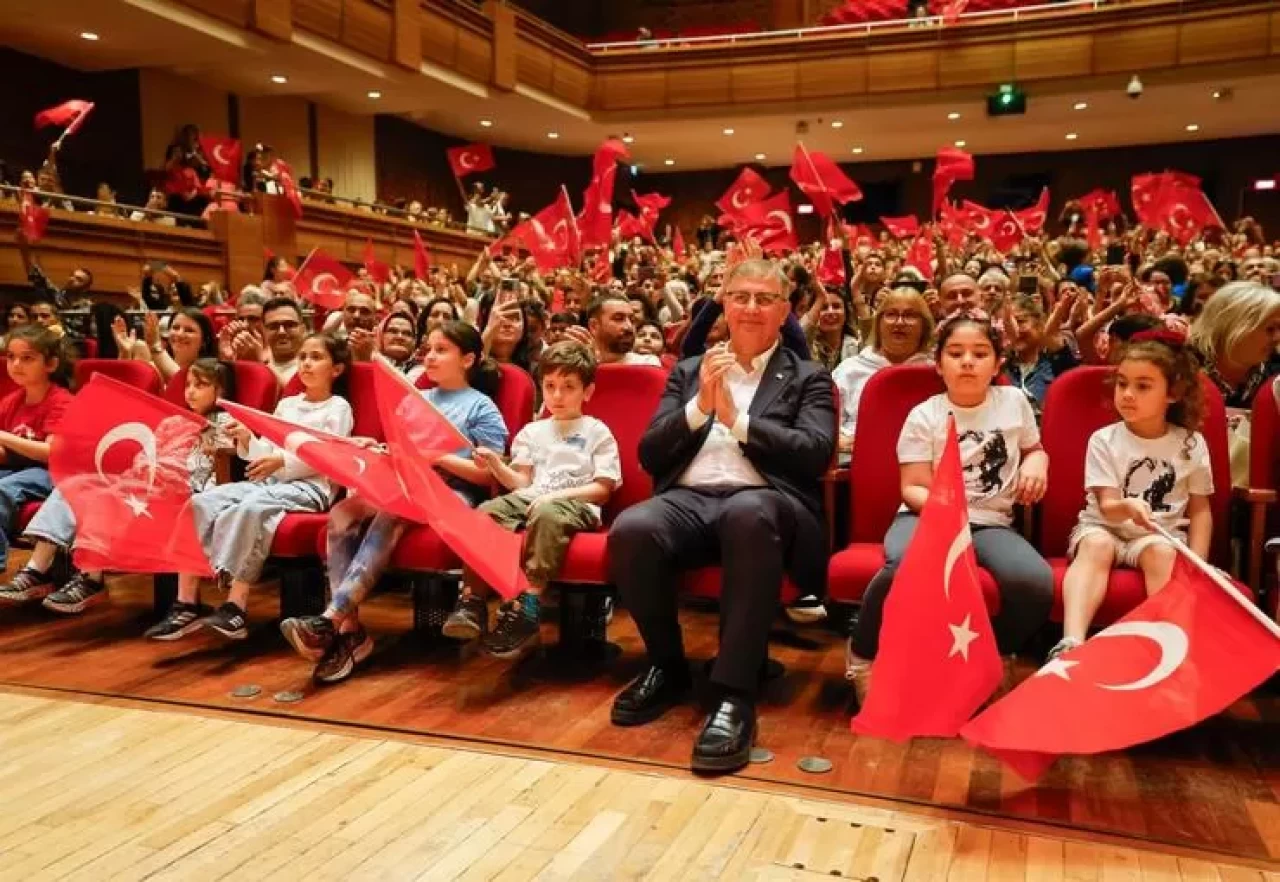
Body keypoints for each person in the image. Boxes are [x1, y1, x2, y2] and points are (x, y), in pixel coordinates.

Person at [606, 258, 836, 774]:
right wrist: (699, 409)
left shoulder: (808, 376)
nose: (751, 307)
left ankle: (734, 693)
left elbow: (815, 452)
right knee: (634, 528)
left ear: (784, 311)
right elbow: (650, 453)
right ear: (724, 306)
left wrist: (737, 420)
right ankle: (667, 668)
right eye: (742, 297)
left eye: (764, 299)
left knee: (748, 512)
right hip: (690, 502)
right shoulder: (690, 371)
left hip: (768, 505)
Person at [281, 322, 508, 682]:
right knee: (340, 514)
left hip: (450, 493)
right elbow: (400, 454)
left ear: (468, 359)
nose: (429, 356)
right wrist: (378, 449)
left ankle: (331, 617)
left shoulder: (482, 407)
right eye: (428, 348)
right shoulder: (413, 399)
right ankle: (349, 631)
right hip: (403, 484)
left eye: (442, 350)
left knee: (393, 512)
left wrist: (440, 458)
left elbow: (491, 475)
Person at [846, 312, 1053, 702]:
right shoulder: (924, 414)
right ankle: (862, 655)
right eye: (956, 353)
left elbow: (1034, 449)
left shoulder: (1014, 402)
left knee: (1034, 582)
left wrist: (1037, 463)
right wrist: (949, 514)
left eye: (980, 353)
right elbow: (913, 487)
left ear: (997, 363)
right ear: (939, 365)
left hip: (991, 522)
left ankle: (995, 651)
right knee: (902, 566)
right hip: (928, 517)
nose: (968, 361)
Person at [149, 334, 354, 641]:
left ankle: (236, 605)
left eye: (316, 357)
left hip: (311, 487)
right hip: (271, 480)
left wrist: (280, 462)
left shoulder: (338, 407)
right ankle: (187, 602)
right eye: (303, 357)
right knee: (199, 503)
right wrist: (247, 439)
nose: (307, 363)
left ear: (336, 369)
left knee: (253, 510)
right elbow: (264, 453)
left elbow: (328, 458)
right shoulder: (286, 404)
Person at [1, 359, 235, 612]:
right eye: (188, 384)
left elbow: (214, 474)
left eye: (200, 385)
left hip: (184, 492)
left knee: (107, 497)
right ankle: (36, 570)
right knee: (76, 485)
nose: (190, 391)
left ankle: (92, 579)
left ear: (220, 391)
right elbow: (145, 457)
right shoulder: (173, 422)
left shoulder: (225, 424)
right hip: (143, 482)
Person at [1051, 330, 1212, 661]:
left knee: (1163, 554)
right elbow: (1108, 507)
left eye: (1143, 386)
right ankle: (1071, 643)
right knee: (1096, 546)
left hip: (1155, 535)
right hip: (1104, 526)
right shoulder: (1104, 440)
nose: (1127, 394)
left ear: (1174, 393)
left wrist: (1198, 562)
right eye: (1122, 383)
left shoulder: (1191, 444)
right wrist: (1127, 505)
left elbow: (1199, 509)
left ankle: (1166, 647)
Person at [454, 342, 621, 659]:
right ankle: (472, 600)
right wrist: (496, 465)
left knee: (546, 512)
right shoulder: (532, 432)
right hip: (533, 496)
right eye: (550, 386)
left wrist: (556, 495)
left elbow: (602, 488)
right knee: (483, 513)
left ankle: (529, 603)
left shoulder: (597, 431)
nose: (557, 395)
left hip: (576, 501)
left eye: (568, 387)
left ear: (587, 392)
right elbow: (521, 482)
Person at [0, 326, 75, 574]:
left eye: (27, 358)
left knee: (1, 490)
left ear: (51, 364)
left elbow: (50, 453)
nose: (16, 364)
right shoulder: (13, 400)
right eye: (11, 357)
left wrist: (4, 438)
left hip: (51, 473)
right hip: (18, 469)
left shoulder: (61, 401)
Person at [832, 286, 935, 457]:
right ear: (878, 323)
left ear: (924, 325)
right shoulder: (849, 370)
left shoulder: (936, 373)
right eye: (891, 314)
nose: (899, 322)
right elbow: (825, 427)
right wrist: (840, 439)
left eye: (909, 315)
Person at [1002, 293, 1081, 412]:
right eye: (1008, 324)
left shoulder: (1057, 362)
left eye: (1020, 321)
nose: (1015, 329)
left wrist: (1050, 336)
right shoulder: (997, 367)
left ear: (1039, 324)